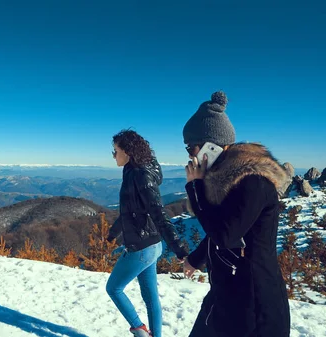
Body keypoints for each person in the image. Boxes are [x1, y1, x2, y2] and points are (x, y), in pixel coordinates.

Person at [182, 91, 291, 337]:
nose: (190, 154)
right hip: (225, 293)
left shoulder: (254, 182)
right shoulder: (226, 182)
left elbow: (226, 234)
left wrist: (195, 186)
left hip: (254, 304)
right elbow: (222, 225)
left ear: (211, 145)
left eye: (191, 147)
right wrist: (196, 258)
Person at [106, 129, 189, 337]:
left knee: (114, 288)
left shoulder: (141, 176)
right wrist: (112, 233)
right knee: (151, 298)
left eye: (115, 150)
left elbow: (159, 214)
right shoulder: (132, 171)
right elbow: (130, 211)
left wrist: (179, 248)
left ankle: (139, 329)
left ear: (128, 151)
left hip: (142, 248)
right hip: (152, 246)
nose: (113, 155)